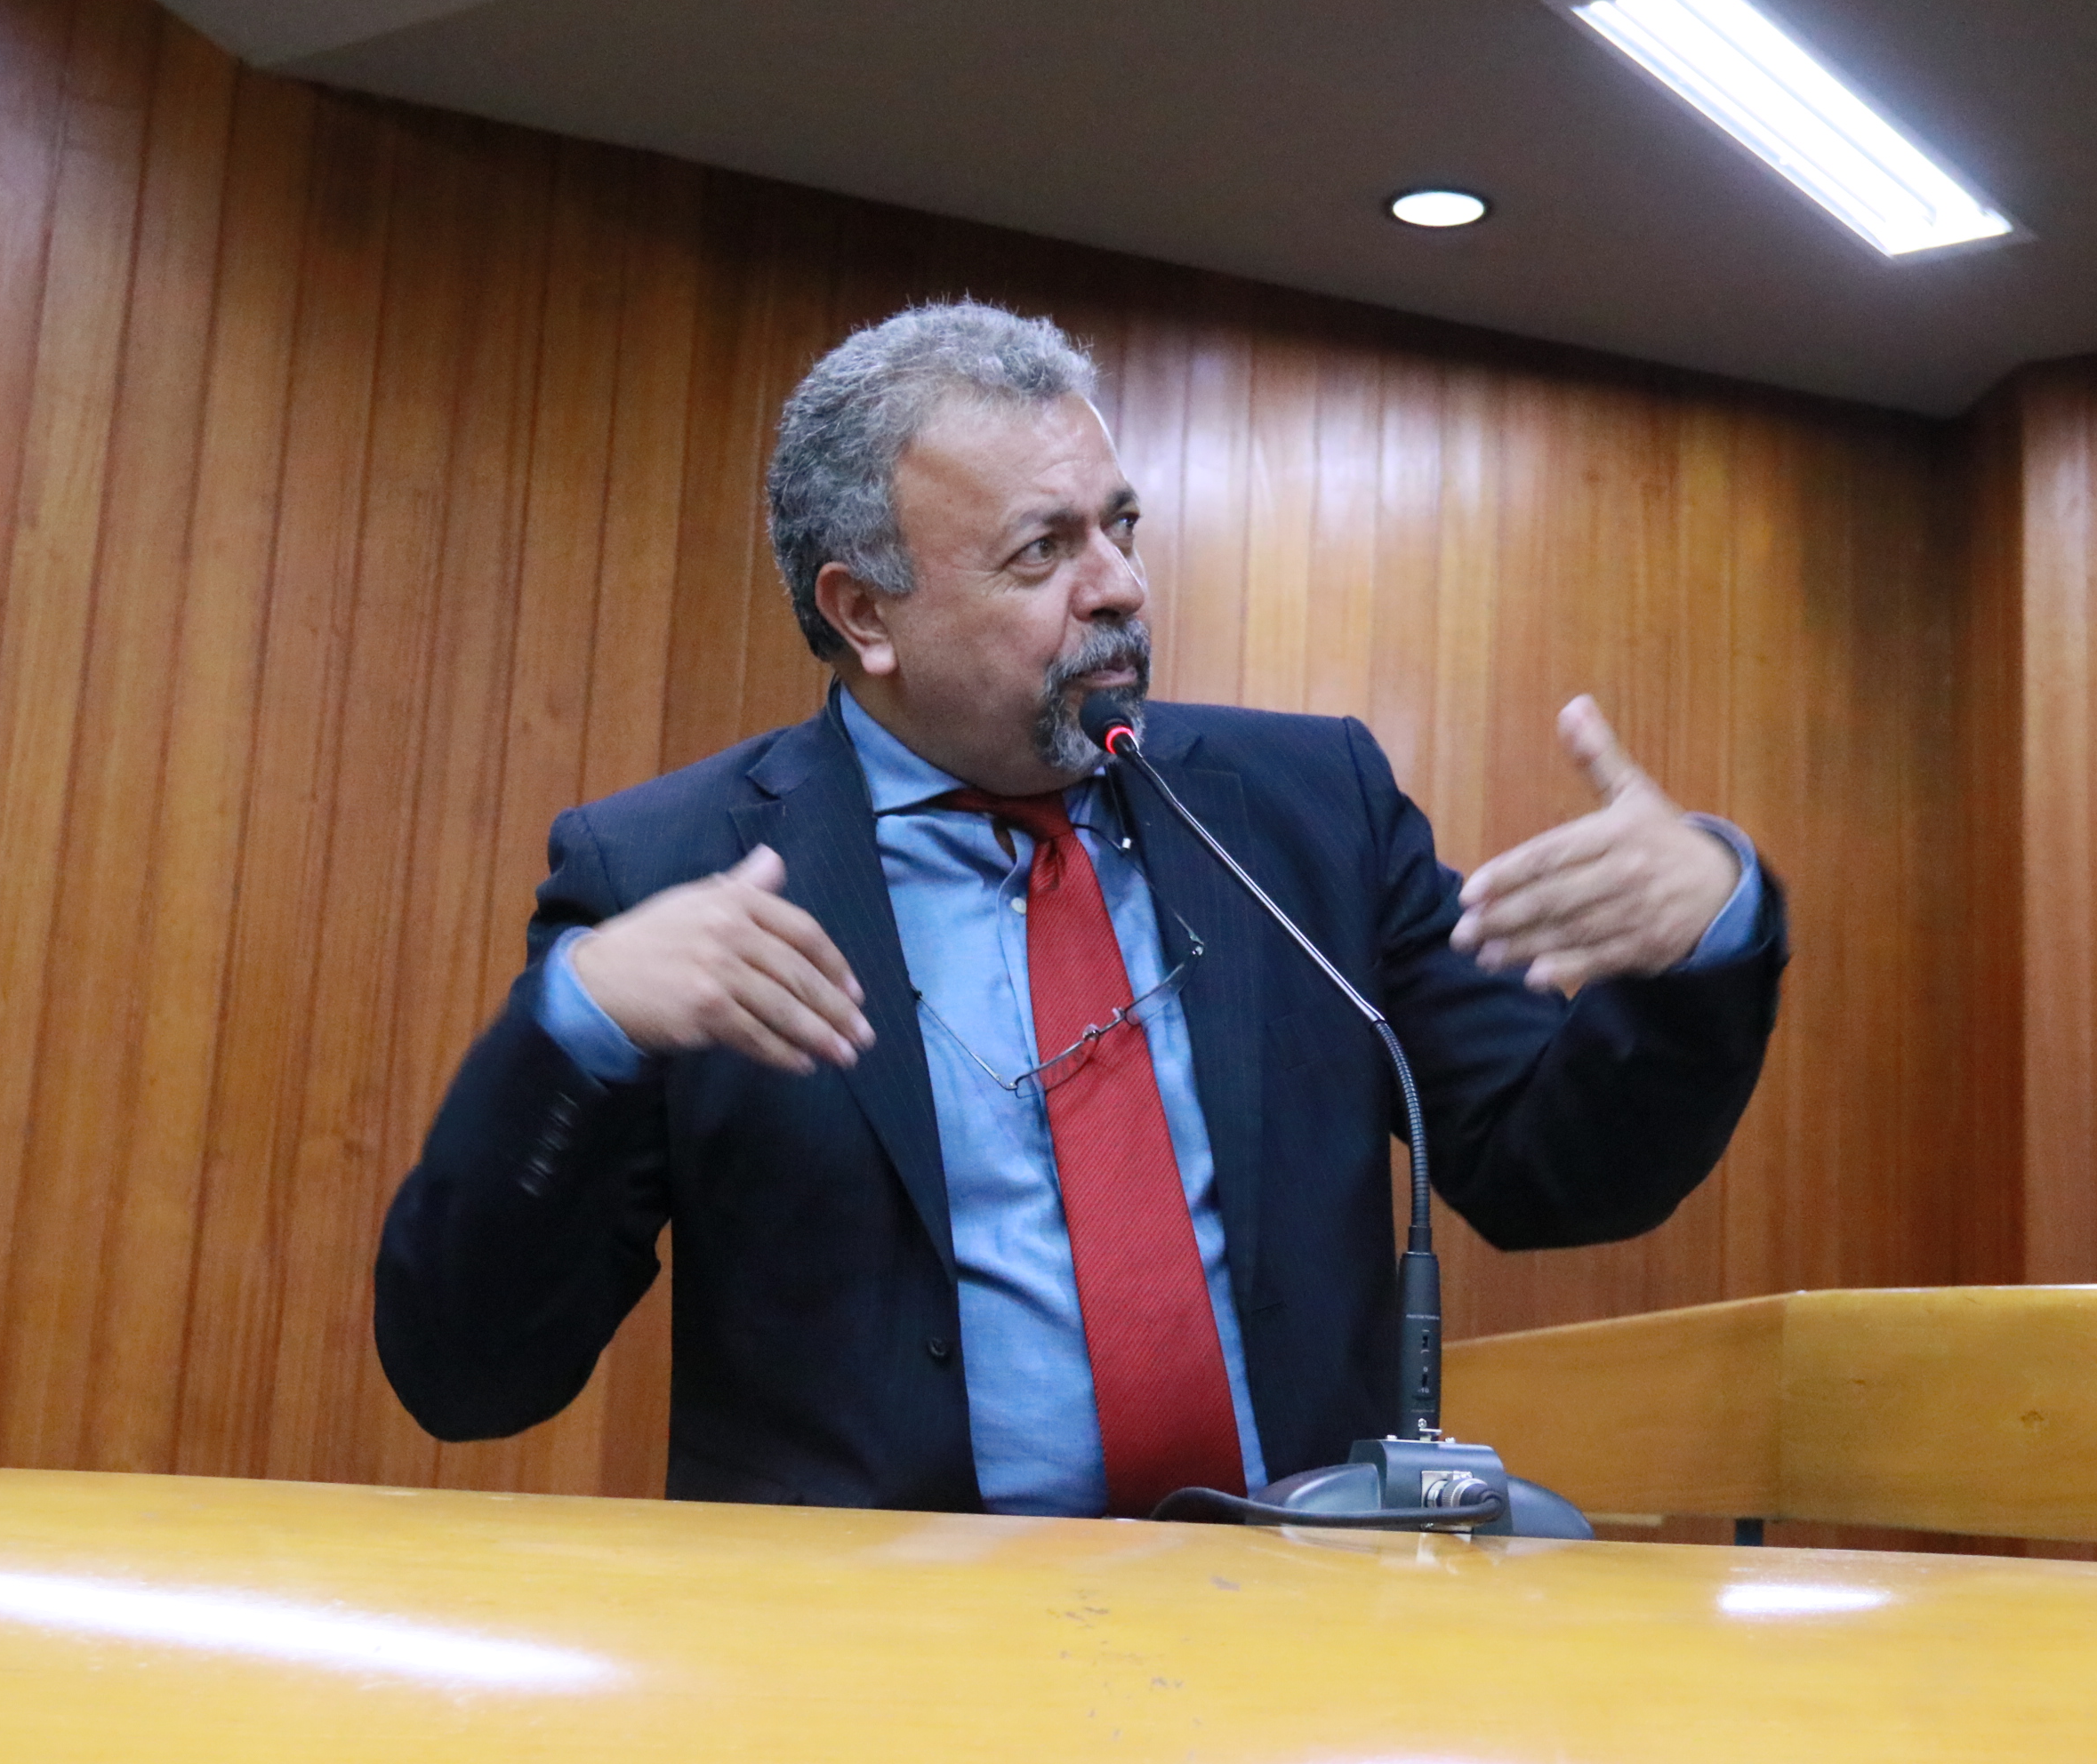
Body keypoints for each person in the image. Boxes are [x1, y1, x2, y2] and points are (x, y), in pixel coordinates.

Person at [375, 302, 1784, 1518]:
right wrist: (578, 1028)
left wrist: (1707, 931)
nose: (1119, 586)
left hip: (1294, 1626)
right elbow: (470, 1374)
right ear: (866, 614)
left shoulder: (1309, 809)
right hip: (883, 1657)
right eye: (1042, 551)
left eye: (1119, 526)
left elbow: (1560, 1173)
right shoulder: (669, 870)